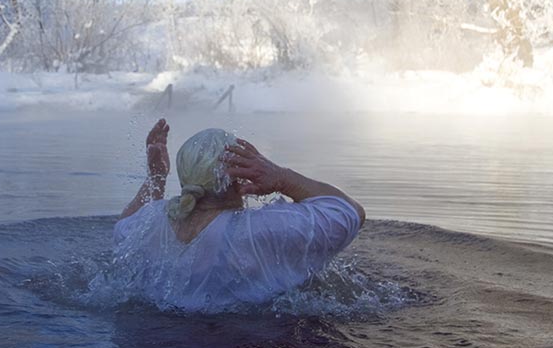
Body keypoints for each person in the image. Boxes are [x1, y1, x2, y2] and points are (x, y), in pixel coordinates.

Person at [113, 119, 365, 312]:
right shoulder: (258, 231)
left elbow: (123, 226)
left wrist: (155, 178)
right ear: (239, 178)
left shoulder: (151, 224)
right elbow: (349, 212)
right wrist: (282, 178)